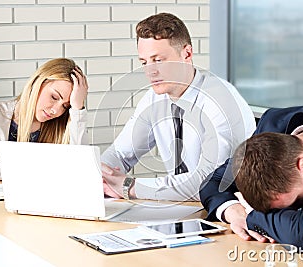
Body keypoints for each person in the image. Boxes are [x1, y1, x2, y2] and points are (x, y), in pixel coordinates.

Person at [101, 13, 256, 201]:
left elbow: (209, 183)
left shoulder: (221, 101)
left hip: (227, 211)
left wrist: (130, 187)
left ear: (187, 54)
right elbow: (120, 153)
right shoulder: (153, 100)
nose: (151, 71)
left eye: (158, 60)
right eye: (144, 62)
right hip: (181, 210)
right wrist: (101, 177)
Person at [200, 106, 303, 253]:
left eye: (294, 202)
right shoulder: (272, 129)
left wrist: (251, 215)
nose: (285, 214)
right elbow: (213, 182)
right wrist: (234, 212)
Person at [0, 58, 89, 182]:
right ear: (37, 84)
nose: (56, 111)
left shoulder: (66, 124)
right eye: (54, 97)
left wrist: (77, 109)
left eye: (65, 106)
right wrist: (28, 171)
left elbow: (82, 168)